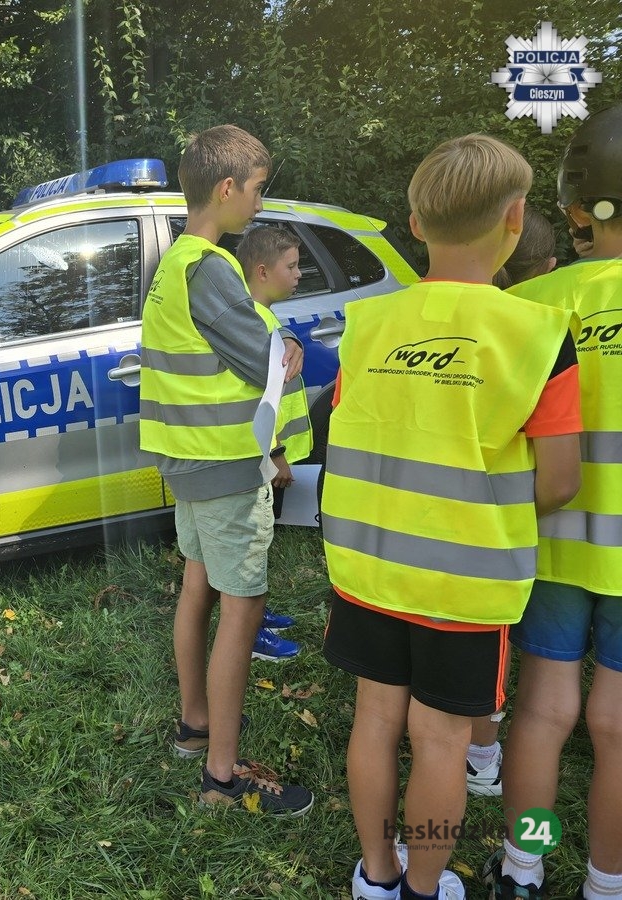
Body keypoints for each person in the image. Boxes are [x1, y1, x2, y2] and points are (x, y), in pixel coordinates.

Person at [320, 134, 582, 900]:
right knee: (440, 742)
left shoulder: (365, 325)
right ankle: (425, 889)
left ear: (413, 222)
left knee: (374, 723)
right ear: (514, 218)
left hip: (368, 568)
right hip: (465, 584)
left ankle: (378, 877)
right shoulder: (535, 334)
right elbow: (559, 483)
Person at [139, 124, 312, 816]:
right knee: (242, 609)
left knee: (196, 589)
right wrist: (288, 339)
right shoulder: (210, 267)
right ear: (227, 188)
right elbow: (262, 355)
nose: (261, 206)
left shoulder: (175, 264)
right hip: (227, 470)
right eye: (259, 189)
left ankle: (194, 727)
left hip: (188, 466)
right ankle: (221, 776)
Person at [486, 103, 622, 900]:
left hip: (554, 542)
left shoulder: (534, 306)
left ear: (575, 209)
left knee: (543, 715)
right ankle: (606, 882)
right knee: (616, 725)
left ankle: (525, 866)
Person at [466, 206, 558, 797]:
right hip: (513, 529)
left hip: (436, 539)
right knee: (493, 660)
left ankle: (483, 755)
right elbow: (558, 477)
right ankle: (528, 851)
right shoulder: (538, 334)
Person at [235, 224, 309, 661]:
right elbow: (256, 399)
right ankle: (253, 632)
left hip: (267, 461)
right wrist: (277, 455)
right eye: (292, 266)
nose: (299, 274)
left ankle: (258, 614)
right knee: (255, 545)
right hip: (264, 462)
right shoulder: (254, 325)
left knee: (264, 540)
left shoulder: (263, 317)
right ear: (263, 271)